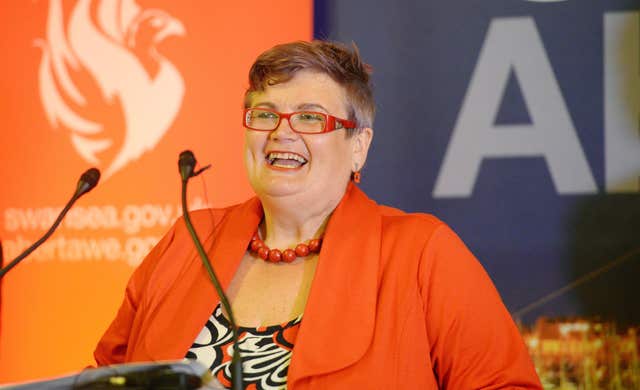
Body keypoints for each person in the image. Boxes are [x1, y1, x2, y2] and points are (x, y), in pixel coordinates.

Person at [94, 40, 542, 389]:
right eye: (265, 114)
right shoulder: (188, 241)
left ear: (358, 146)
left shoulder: (422, 251)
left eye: (310, 118)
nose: (281, 133)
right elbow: (104, 379)